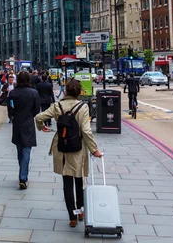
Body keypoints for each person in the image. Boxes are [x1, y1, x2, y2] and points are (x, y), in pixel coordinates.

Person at [35, 79, 102, 227]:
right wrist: (94, 149)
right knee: (79, 180)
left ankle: (71, 216)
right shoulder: (83, 107)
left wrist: (41, 127)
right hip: (77, 148)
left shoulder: (58, 106)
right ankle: (80, 211)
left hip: (62, 148)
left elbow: (39, 117)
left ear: (65, 91)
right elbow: (85, 130)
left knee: (66, 182)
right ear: (79, 92)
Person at [7, 71, 40, 189]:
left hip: (17, 123)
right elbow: (37, 110)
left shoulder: (12, 93)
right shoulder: (34, 93)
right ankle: (23, 176)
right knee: (26, 150)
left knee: (19, 149)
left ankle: (22, 172)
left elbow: (10, 109)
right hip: (28, 123)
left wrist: (14, 115)